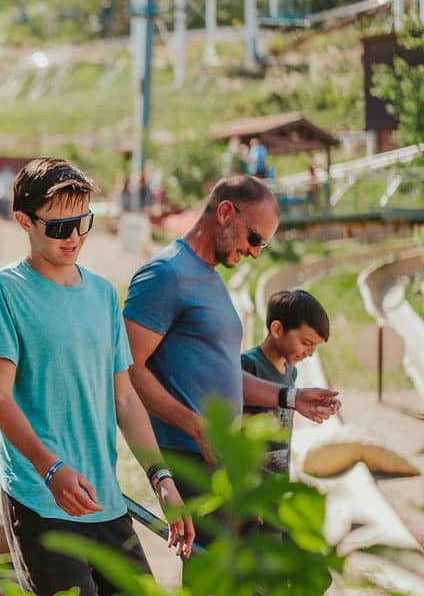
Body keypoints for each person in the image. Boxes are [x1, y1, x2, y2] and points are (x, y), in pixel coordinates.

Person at [0, 158, 194, 596]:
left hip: (105, 500)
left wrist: (163, 480)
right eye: (60, 228)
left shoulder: (101, 294)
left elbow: (126, 399)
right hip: (41, 498)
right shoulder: (3, 290)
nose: (74, 236)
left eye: (83, 223)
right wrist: (51, 468)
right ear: (24, 221)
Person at [122, 175, 340, 547]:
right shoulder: (166, 273)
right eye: (254, 238)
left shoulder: (208, 278)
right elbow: (126, 368)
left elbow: (222, 374)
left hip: (218, 458)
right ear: (226, 212)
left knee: (240, 589)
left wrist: (291, 397)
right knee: (217, 588)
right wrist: (194, 426)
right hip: (188, 456)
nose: (256, 252)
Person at [242, 289, 330, 475]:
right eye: (306, 343)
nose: (310, 353)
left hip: (278, 479)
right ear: (277, 330)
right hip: (248, 483)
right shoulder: (248, 366)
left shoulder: (291, 372)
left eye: (315, 347)